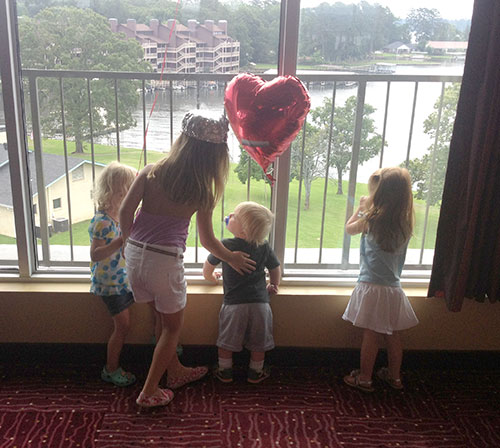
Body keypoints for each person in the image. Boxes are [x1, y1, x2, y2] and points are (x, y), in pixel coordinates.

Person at [120, 110, 256, 408]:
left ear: (181, 141)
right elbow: (208, 240)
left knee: (160, 317)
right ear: (215, 156)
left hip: (135, 254)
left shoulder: (151, 171)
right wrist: (231, 257)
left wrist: (126, 244)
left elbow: (125, 212)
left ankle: (175, 371)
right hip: (164, 262)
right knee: (172, 328)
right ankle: (149, 391)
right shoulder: (202, 191)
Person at [342, 167, 419, 392]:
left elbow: (349, 229)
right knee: (393, 335)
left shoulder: (371, 220)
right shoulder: (405, 223)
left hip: (371, 287)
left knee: (371, 336)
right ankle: (395, 377)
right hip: (393, 289)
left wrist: (360, 209)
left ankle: (365, 378)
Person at [203, 201, 281, 384]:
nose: (230, 215)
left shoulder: (225, 245)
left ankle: (225, 371)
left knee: (227, 341)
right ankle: (256, 372)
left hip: (234, 305)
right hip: (260, 304)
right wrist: (273, 284)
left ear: (244, 231)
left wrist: (211, 278)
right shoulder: (263, 246)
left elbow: (208, 267)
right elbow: (275, 268)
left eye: (235, 216)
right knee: (258, 343)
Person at [89, 161, 137, 387]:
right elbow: (95, 254)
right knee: (123, 326)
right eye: (130, 189)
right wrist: (119, 241)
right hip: (109, 284)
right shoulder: (102, 221)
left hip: (123, 279)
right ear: (118, 191)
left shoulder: (121, 216)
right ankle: (110, 369)